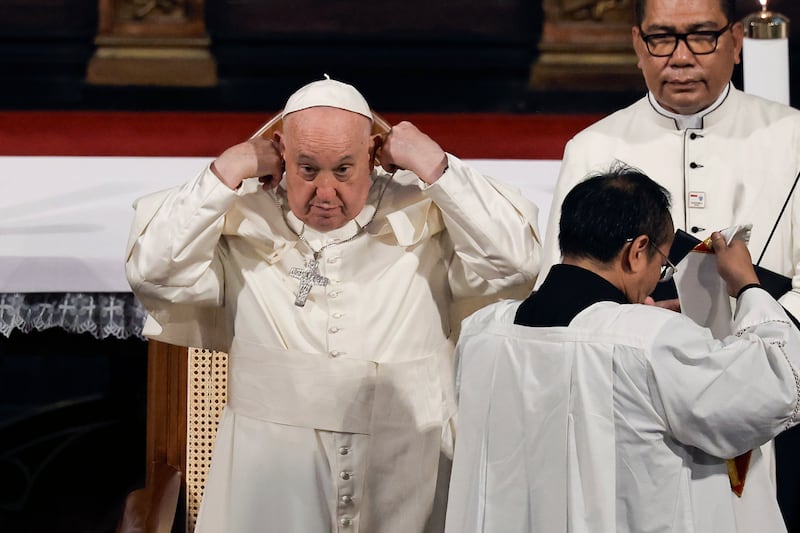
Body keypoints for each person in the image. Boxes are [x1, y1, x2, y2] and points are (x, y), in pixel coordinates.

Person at [125, 77, 541, 532]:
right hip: (272, 477)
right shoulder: (244, 213)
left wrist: (434, 165)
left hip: (409, 468)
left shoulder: (424, 211)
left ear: (373, 153)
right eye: (307, 170)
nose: (325, 193)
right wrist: (228, 168)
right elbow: (154, 275)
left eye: (343, 170)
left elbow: (517, 267)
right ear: (280, 150)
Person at [537, 0, 800, 527]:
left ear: (736, 40)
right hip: (635, 408)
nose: (680, 57)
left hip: (777, 406)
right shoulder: (594, 148)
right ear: (638, 44)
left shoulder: (791, 138)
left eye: (701, 35)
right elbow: (560, 280)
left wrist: (754, 312)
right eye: (662, 38)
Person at [445, 166, 800, 533]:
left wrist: (636, 323)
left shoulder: (482, 332)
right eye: (663, 265)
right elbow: (776, 382)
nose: (655, 278)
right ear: (637, 250)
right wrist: (747, 287)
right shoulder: (651, 342)